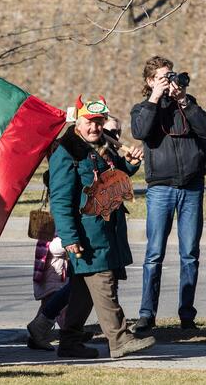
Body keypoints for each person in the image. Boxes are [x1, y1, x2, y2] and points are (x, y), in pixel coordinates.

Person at [52, 96, 154, 359]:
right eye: (90, 122)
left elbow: (114, 177)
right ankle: (119, 339)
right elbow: (61, 200)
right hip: (86, 233)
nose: (95, 127)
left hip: (107, 229)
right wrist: (69, 237)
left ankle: (69, 342)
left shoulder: (102, 147)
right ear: (78, 122)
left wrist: (129, 163)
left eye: (98, 122)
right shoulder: (67, 152)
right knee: (104, 283)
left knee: (83, 293)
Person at [130, 56, 206, 333]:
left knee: (190, 253)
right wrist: (156, 97)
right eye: (162, 77)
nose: (169, 82)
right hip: (161, 189)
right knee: (154, 254)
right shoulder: (142, 109)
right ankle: (146, 314)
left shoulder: (186, 105)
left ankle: (187, 316)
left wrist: (184, 101)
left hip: (191, 187)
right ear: (150, 80)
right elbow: (141, 130)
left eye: (171, 76)